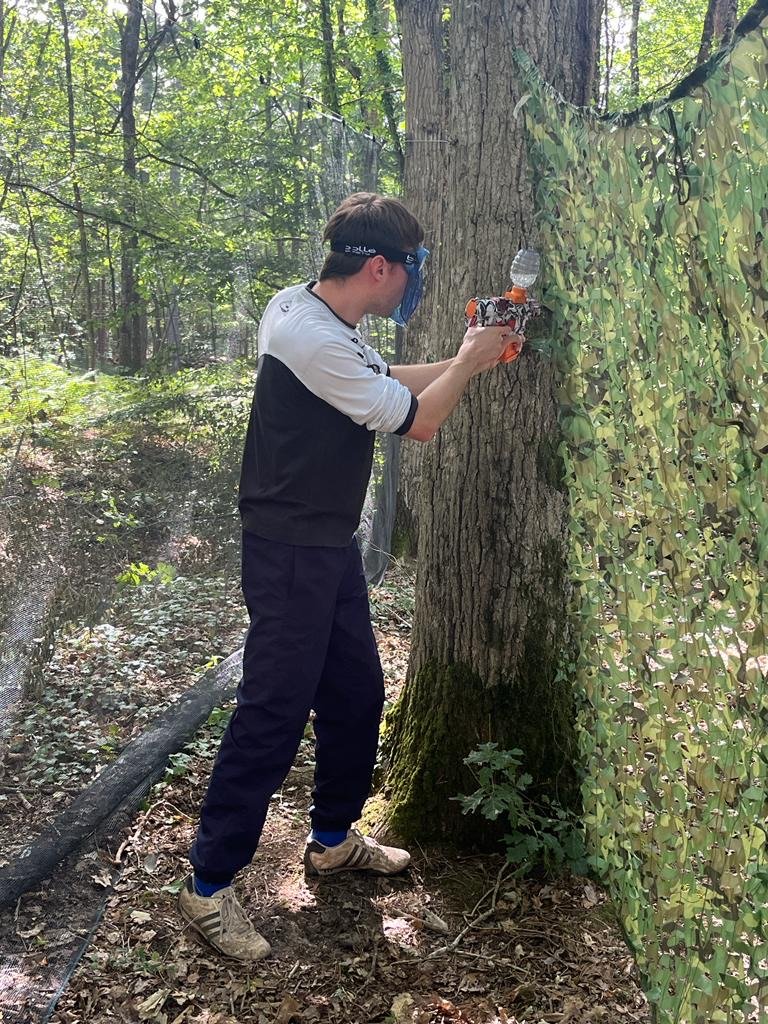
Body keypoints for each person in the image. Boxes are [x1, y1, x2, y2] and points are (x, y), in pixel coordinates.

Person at [178, 192, 518, 961]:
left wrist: (475, 355)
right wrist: (468, 362)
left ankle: (332, 840)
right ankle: (207, 884)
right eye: (411, 271)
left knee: (357, 695)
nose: (413, 285)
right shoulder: (311, 336)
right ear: (378, 268)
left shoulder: (313, 311)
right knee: (272, 712)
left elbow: (387, 376)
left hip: (327, 544)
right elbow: (419, 420)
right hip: (288, 549)